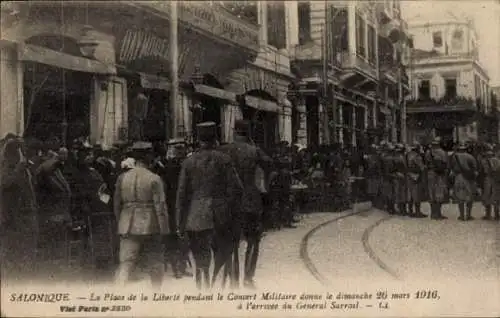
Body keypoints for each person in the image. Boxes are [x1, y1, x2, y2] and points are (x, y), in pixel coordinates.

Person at [176, 122, 239, 289]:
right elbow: (236, 189)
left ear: (198, 139)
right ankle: (218, 289)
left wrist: (180, 223)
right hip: (221, 215)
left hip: (195, 216)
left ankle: (202, 288)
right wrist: (230, 210)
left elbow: (181, 195)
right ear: (215, 139)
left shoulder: (188, 162)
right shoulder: (224, 159)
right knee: (222, 255)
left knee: (200, 257)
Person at [218, 119, 272, 289]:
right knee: (253, 240)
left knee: (231, 242)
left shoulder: (224, 150)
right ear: (248, 133)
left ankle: (233, 279)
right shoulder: (254, 150)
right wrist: (265, 186)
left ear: (234, 131)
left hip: (230, 202)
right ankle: (248, 278)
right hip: (251, 200)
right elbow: (270, 164)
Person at [114, 141, 168, 288]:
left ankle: (117, 295)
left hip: (127, 224)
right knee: (155, 262)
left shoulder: (122, 178)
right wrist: (164, 229)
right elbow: (160, 206)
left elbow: (117, 204)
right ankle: (157, 295)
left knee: (125, 263)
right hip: (150, 225)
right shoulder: (154, 178)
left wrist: (121, 222)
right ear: (148, 156)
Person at [449, 142, 478, 221]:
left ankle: (461, 216)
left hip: (458, 177)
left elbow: (451, 168)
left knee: (459, 196)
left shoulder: (454, 157)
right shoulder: (470, 157)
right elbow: (475, 169)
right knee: (469, 196)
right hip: (468, 178)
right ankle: (468, 215)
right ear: (466, 149)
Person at [424, 138, 449, 220]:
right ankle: (438, 213)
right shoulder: (443, 152)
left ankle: (432, 213)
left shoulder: (428, 152)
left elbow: (426, 163)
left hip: (430, 173)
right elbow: (445, 164)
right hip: (439, 174)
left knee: (431, 193)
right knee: (439, 193)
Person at [478, 145, 500, 220]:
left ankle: (488, 215)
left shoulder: (483, 161)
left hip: (487, 179)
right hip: (496, 180)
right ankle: (497, 215)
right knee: (496, 196)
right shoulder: (497, 160)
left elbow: (481, 171)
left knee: (487, 196)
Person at [406, 143, 427, 218]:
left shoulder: (408, 155)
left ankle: (410, 211)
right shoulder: (417, 156)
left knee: (410, 194)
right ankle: (418, 212)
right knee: (417, 194)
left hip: (408, 175)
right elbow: (422, 167)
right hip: (416, 176)